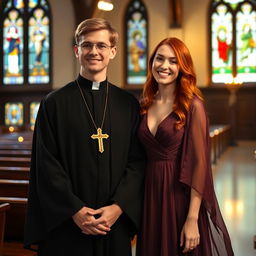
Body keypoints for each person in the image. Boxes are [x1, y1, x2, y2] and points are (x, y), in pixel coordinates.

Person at [24, 18, 145, 256]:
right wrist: (76, 211)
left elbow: (138, 161)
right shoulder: (54, 104)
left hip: (114, 224)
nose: (94, 52)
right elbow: (46, 165)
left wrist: (119, 207)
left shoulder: (128, 105)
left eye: (101, 46)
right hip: (67, 226)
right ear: (76, 50)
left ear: (113, 51)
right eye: (87, 45)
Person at [136, 37, 234, 256]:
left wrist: (191, 218)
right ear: (151, 62)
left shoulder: (193, 106)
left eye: (173, 61)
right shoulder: (144, 104)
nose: (164, 66)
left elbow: (200, 165)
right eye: (159, 59)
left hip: (179, 196)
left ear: (182, 68)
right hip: (150, 196)